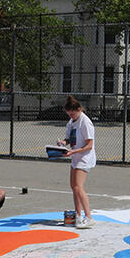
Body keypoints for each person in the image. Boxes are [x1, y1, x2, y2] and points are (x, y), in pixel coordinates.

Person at [58, 95, 96, 229]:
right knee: (73, 187)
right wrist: (63, 142)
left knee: (79, 186)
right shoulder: (71, 122)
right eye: (69, 114)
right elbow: (69, 139)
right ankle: (78, 215)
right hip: (75, 157)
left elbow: (89, 145)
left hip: (84, 157)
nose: (72, 116)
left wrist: (73, 152)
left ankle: (89, 217)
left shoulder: (85, 122)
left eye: (73, 113)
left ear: (79, 109)